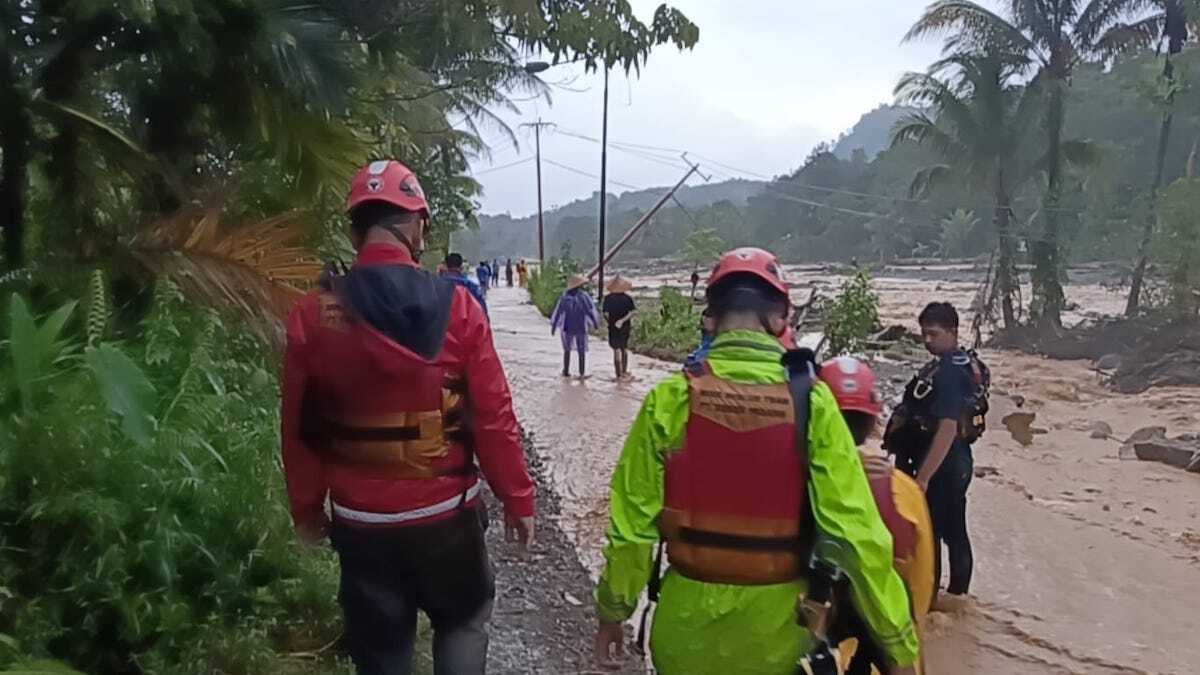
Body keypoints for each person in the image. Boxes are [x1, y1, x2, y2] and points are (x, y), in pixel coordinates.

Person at [593, 247, 919, 675]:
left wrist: (613, 612)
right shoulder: (814, 404)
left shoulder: (669, 400)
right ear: (782, 319)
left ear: (710, 318)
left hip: (684, 633)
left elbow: (631, 530)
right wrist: (898, 645)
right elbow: (856, 537)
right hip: (778, 639)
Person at [280, 159, 536, 675]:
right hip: (447, 520)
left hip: (362, 525)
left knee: (381, 651)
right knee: (463, 621)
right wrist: (517, 497)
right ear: (418, 226)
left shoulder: (313, 314)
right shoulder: (460, 307)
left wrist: (306, 509)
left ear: (355, 231)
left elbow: (300, 427)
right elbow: (494, 416)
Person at [820, 356, 935, 675]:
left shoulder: (801, 483)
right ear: (873, 423)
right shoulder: (904, 491)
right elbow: (920, 587)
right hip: (886, 649)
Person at [883, 302, 986, 602]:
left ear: (953, 332)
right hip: (955, 460)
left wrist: (924, 478)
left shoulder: (950, 373)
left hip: (943, 462)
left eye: (934, 334)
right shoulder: (958, 363)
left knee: (932, 534)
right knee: (954, 529)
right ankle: (955, 601)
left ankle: (929, 601)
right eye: (924, 334)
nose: (927, 340)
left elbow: (947, 428)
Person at [550, 274, 600, 378]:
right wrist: (595, 323)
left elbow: (558, 312)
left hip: (568, 326)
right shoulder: (583, 297)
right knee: (581, 350)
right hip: (580, 326)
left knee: (567, 349)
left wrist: (554, 326)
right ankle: (582, 373)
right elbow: (589, 311)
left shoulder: (565, 297)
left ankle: (566, 371)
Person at [602, 276, 636, 379]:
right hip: (625, 326)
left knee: (616, 349)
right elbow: (632, 312)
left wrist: (610, 322)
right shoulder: (628, 298)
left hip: (613, 326)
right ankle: (624, 372)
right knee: (624, 348)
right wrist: (622, 320)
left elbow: (605, 313)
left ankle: (618, 374)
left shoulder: (608, 298)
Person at [441, 252, 488, 316]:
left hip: (441, 321)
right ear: (461, 266)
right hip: (465, 319)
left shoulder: (435, 284)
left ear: (446, 265)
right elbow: (482, 308)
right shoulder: (470, 286)